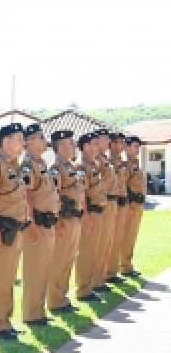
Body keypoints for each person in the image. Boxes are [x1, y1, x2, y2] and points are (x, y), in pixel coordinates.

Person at [0, 123, 29, 340]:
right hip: (1, 230)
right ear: (6, 141)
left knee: (8, 278)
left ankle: (5, 321)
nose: (23, 143)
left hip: (14, 230)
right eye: (19, 139)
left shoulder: (14, 166)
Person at [20, 123, 60, 326]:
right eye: (41, 137)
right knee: (35, 269)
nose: (45, 141)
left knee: (43, 268)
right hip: (37, 223)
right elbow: (26, 195)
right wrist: (32, 223)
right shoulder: (27, 163)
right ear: (29, 141)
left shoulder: (41, 162)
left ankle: (39, 310)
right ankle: (32, 313)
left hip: (47, 222)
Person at [47, 130, 86, 313]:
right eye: (70, 143)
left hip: (75, 218)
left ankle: (62, 297)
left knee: (69, 259)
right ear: (60, 147)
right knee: (59, 261)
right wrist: (59, 222)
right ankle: (55, 300)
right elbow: (55, 196)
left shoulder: (70, 166)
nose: (74, 146)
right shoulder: (56, 168)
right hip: (65, 219)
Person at [75, 132, 106, 302]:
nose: (98, 147)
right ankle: (83, 289)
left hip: (97, 212)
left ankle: (89, 285)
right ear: (85, 146)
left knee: (93, 250)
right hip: (90, 213)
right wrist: (86, 215)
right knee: (86, 252)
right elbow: (82, 193)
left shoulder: (93, 165)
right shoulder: (82, 166)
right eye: (94, 144)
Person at [92, 129, 116, 294]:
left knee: (107, 243)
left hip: (110, 202)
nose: (108, 141)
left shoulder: (104, 159)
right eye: (105, 138)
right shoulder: (95, 162)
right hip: (102, 204)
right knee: (98, 245)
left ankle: (101, 276)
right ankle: (95, 280)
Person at [104, 132, 129, 284]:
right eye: (119, 142)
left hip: (120, 202)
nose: (122, 145)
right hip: (108, 203)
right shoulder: (107, 161)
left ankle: (112, 271)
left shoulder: (121, 161)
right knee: (108, 240)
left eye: (123, 142)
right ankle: (106, 272)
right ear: (112, 144)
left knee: (116, 238)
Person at [120, 135, 146, 278]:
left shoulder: (135, 164)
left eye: (138, 146)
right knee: (128, 236)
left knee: (132, 236)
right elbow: (124, 186)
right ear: (127, 147)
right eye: (135, 146)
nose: (138, 149)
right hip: (131, 204)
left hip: (138, 204)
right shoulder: (126, 165)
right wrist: (128, 206)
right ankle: (124, 266)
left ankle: (127, 265)